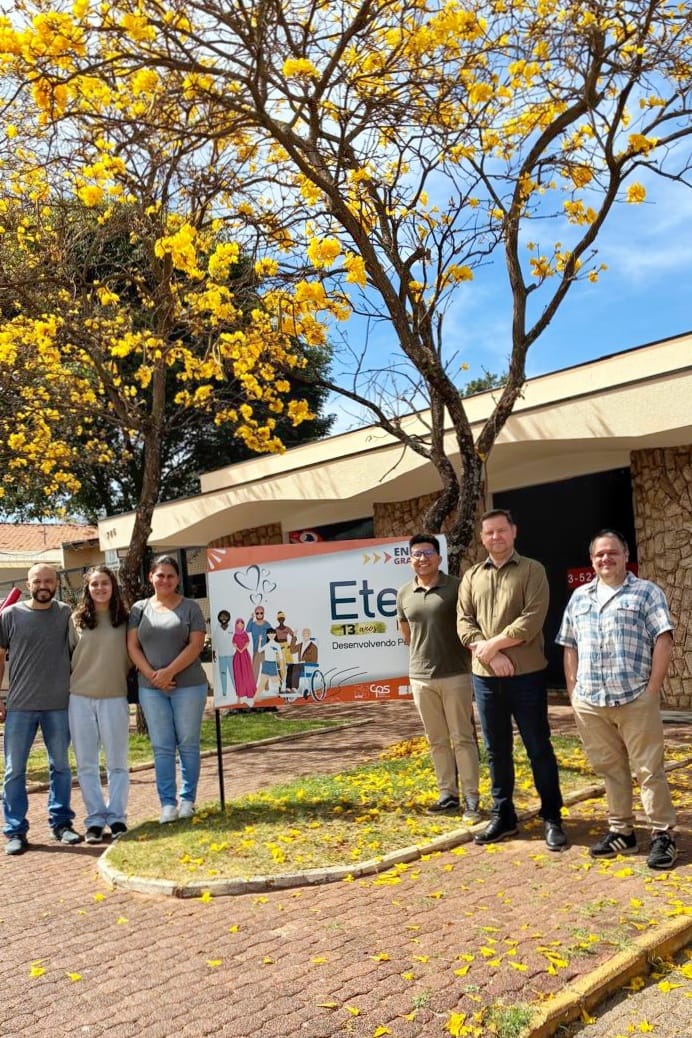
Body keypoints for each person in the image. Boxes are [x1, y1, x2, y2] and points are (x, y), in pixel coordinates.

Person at [556, 529, 678, 869]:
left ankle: (662, 834)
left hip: (636, 696)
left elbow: (663, 640)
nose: (605, 559)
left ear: (626, 555)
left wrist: (653, 689)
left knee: (649, 770)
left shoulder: (646, 592)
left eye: (612, 553)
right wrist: (573, 690)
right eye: (599, 555)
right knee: (610, 769)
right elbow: (570, 645)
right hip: (591, 701)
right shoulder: (580, 597)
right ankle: (622, 831)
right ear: (592, 560)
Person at [457, 509, 566, 850]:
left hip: (527, 677)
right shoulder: (472, 576)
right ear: (482, 537)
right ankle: (504, 817)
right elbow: (463, 622)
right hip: (485, 679)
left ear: (514, 532)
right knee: (496, 750)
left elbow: (531, 620)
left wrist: (493, 645)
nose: (495, 537)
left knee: (538, 748)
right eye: (489, 532)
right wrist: (489, 653)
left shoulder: (533, 570)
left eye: (501, 531)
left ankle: (552, 817)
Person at [397, 534, 480, 822]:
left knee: (463, 738)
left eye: (427, 553)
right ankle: (447, 795)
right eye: (416, 554)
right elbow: (406, 633)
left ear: (439, 557)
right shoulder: (404, 593)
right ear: (410, 560)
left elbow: (471, 624)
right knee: (436, 740)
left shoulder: (457, 587)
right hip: (420, 677)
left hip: (455, 674)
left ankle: (471, 798)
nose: (422, 558)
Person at [0, 564, 81, 856]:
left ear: (56, 584)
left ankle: (62, 824)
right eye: (38, 581)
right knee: (13, 771)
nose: (43, 585)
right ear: (28, 583)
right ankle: (15, 831)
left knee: (60, 767)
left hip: (58, 705)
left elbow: (78, 654)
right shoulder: (10, 616)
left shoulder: (64, 614)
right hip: (20, 706)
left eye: (49, 580)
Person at [127, 555, 207, 823]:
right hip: (150, 688)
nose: (165, 580)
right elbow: (132, 646)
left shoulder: (190, 608)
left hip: (188, 686)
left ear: (177, 579)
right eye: (159, 575)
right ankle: (167, 805)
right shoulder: (139, 609)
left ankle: (187, 801)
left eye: (170, 576)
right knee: (161, 747)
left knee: (187, 743)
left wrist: (168, 672)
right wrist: (153, 676)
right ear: (151, 577)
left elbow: (196, 645)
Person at [69, 566, 131, 844]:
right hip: (79, 698)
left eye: (104, 583)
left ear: (112, 586)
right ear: (88, 589)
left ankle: (117, 817)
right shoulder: (76, 620)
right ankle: (94, 820)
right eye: (94, 584)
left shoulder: (126, 620)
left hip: (115, 697)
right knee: (86, 764)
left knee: (117, 762)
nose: (100, 588)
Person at [213, 610, 236, 701]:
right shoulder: (217, 628)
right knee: (223, 674)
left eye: (225, 616)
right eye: (221, 616)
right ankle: (224, 693)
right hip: (221, 656)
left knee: (233, 674)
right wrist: (214, 652)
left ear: (228, 617)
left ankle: (236, 691)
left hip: (231, 656)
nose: (223, 618)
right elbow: (214, 642)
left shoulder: (232, 628)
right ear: (219, 618)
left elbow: (236, 640)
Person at [231, 618, 256, 703]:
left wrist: (242, 649)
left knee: (247, 674)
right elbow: (233, 644)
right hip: (238, 657)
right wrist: (239, 649)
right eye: (239, 624)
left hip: (245, 656)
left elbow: (247, 642)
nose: (240, 626)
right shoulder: (235, 634)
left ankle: (249, 693)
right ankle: (239, 695)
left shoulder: (245, 633)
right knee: (238, 675)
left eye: (242, 624)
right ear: (236, 625)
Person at [247, 606, 271, 681]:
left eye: (261, 613)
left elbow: (272, 635)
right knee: (254, 670)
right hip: (256, 651)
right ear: (255, 614)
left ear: (263, 613)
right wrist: (251, 618)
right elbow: (247, 630)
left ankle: (266, 688)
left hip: (265, 651)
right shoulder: (253, 624)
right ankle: (253, 687)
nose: (259, 614)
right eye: (257, 613)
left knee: (266, 670)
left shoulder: (267, 624)